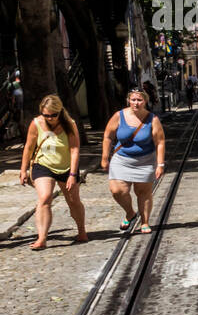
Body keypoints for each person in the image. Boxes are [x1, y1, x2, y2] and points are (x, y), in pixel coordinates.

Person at [19, 95, 87, 250]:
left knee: (73, 201)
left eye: (53, 115)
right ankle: (42, 238)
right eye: (46, 115)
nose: (50, 118)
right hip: (43, 165)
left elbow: (75, 149)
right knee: (44, 198)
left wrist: (72, 174)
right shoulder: (36, 123)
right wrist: (23, 170)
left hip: (66, 167)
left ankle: (81, 231)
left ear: (60, 111)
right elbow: (28, 147)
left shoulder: (70, 124)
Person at [101, 89, 166, 233]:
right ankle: (130, 213)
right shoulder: (119, 116)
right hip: (121, 159)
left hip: (145, 160)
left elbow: (160, 142)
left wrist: (160, 164)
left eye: (139, 100)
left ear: (145, 101)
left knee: (143, 192)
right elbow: (108, 136)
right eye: (133, 100)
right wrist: (105, 157)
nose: (136, 103)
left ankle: (145, 221)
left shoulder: (152, 119)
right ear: (128, 100)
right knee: (117, 190)